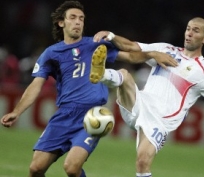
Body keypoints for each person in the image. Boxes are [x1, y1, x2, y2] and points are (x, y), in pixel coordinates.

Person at [0, 1, 177, 177]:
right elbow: (35, 85)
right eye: (73, 18)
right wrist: (17, 111)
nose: (78, 22)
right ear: (61, 22)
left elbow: (130, 56)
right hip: (64, 115)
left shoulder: (95, 45)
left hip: (92, 117)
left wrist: (152, 54)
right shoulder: (51, 53)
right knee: (35, 169)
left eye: (81, 19)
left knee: (71, 168)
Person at [92, 17, 204, 177]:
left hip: (160, 121)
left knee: (143, 161)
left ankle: (104, 74)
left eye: (196, 30)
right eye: (188, 29)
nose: (189, 33)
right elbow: (131, 48)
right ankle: (101, 74)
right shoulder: (165, 49)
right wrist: (110, 36)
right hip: (139, 103)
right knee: (124, 75)